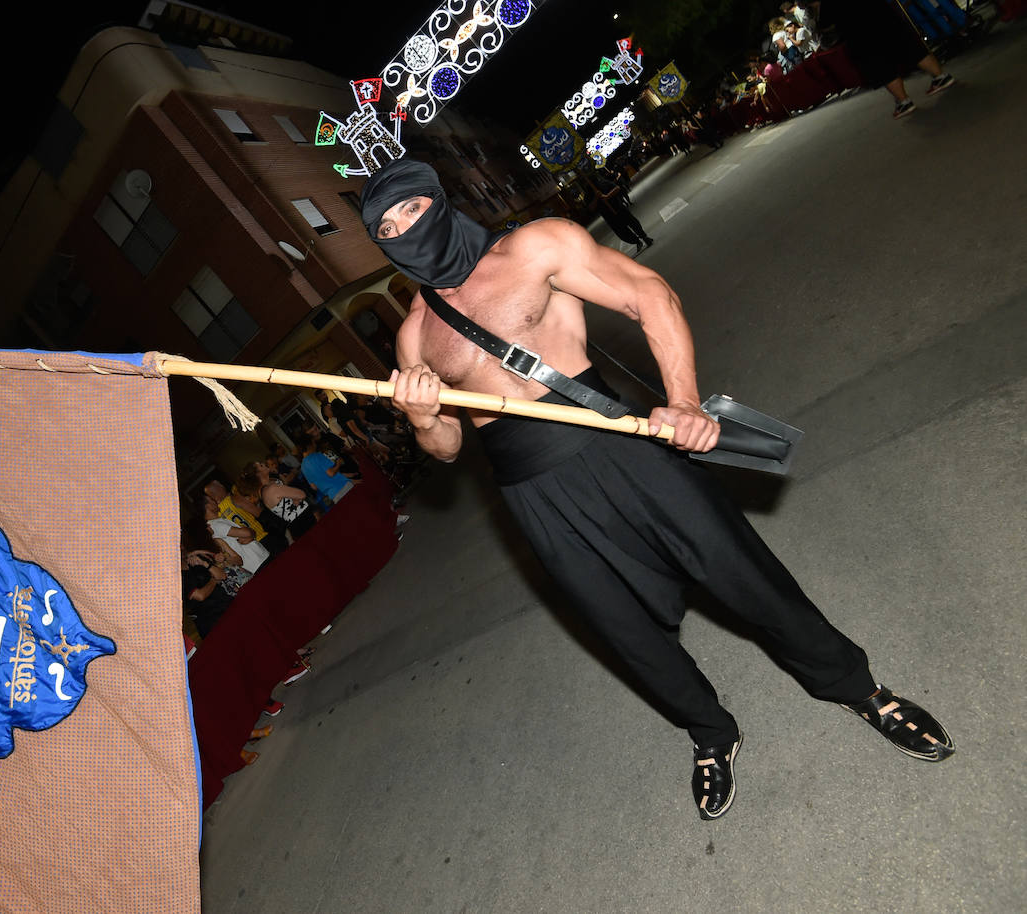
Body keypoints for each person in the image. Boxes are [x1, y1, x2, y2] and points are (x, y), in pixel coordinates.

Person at [361, 158, 953, 821]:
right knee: (625, 631)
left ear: (437, 200)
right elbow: (445, 450)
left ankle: (858, 687)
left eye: (409, 210)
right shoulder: (415, 332)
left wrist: (687, 403)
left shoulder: (533, 248)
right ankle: (710, 732)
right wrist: (421, 415)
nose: (402, 230)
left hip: (616, 443)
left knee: (743, 574)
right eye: (386, 228)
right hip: (532, 491)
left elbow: (650, 294)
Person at [823, 0, 954, 118]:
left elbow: (826, 21)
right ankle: (941, 76)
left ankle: (904, 102)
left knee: (881, 65)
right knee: (909, 48)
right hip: (884, 14)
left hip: (860, 31)